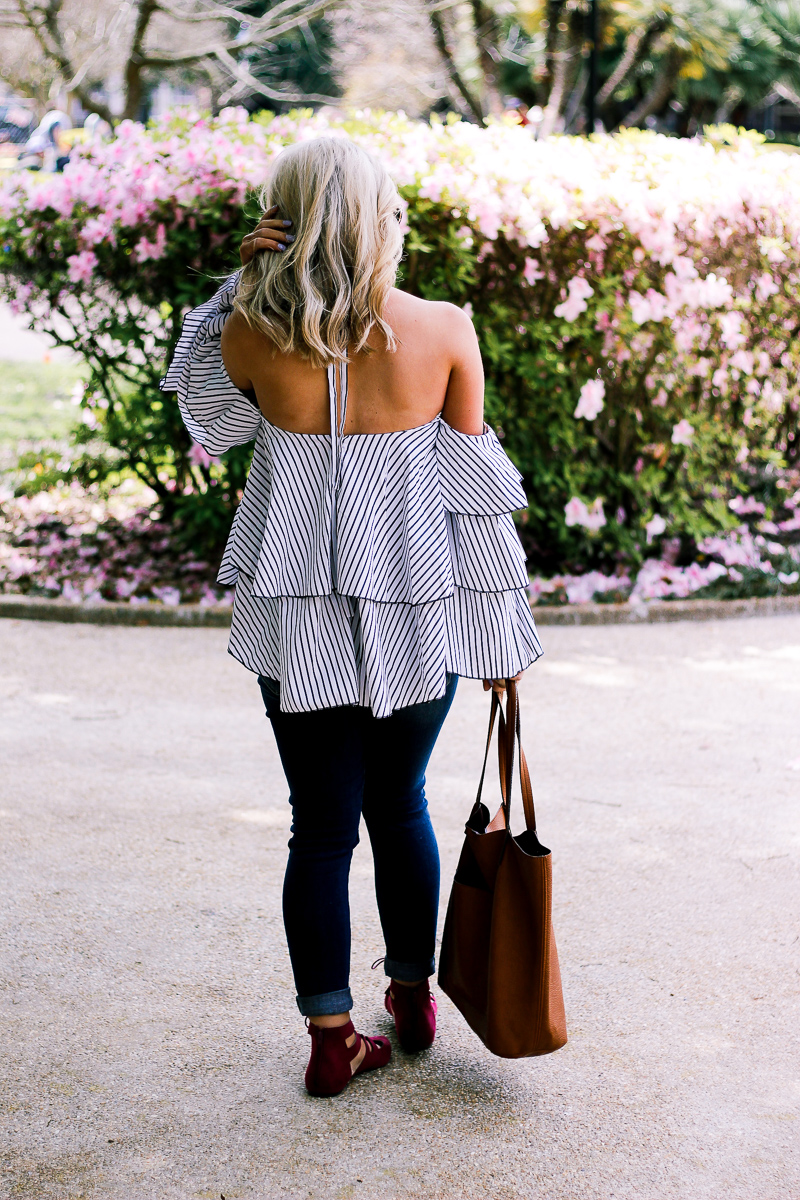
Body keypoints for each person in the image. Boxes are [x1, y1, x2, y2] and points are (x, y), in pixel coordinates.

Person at [161, 137, 542, 1097]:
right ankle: (410, 998)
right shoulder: (445, 328)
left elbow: (213, 423)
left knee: (319, 830)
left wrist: (230, 289)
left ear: (282, 216)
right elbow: (475, 498)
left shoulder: (249, 334)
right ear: (382, 218)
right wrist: (502, 643)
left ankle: (331, 1039)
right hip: (422, 604)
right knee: (401, 803)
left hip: (295, 615)